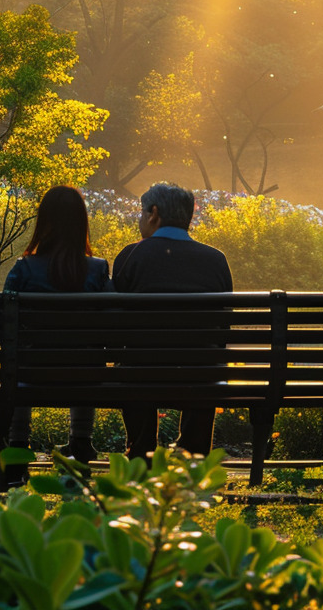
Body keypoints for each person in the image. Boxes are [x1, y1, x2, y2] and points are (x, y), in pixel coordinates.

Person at [113, 182, 233, 458]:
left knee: (133, 361)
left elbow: (116, 328)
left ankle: (141, 450)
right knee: (207, 360)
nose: (140, 219)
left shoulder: (131, 255)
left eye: (142, 213)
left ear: (153, 213)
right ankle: (192, 453)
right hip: (200, 375)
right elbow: (222, 330)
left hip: (140, 374)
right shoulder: (216, 260)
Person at [3, 186, 109, 477]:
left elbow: (5, 325)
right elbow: (112, 326)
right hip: (85, 374)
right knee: (85, 358)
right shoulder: (98, 270)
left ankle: (18, 443)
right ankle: (82, 440)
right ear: (81, 224)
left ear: (43, 223)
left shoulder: (23, 269)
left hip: (31, 372)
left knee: (19, 363)